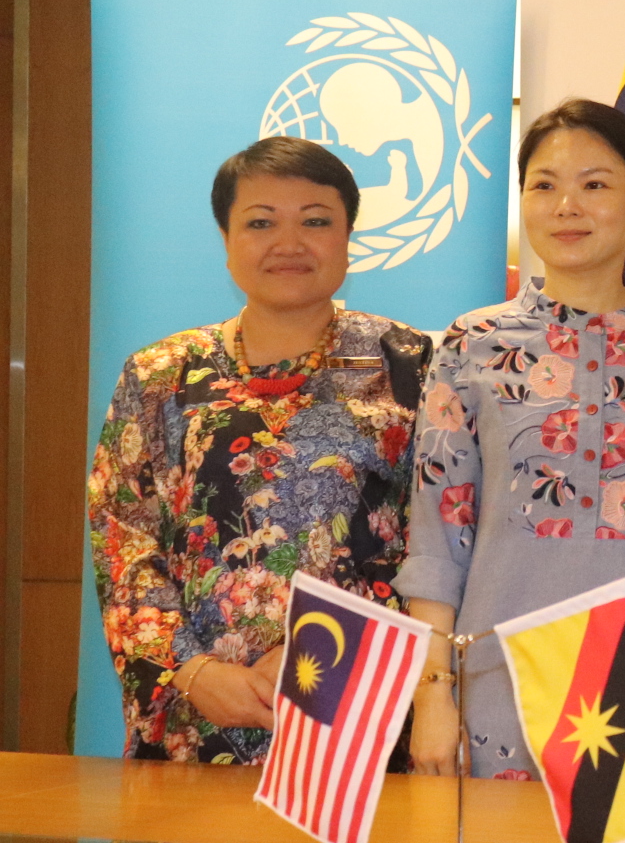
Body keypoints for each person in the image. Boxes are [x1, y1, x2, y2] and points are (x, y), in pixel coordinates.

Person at [398, 99, 625, 784]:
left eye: (595, 184)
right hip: (497, 680)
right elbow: (437, 538)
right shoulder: (472, 343)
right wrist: (433, 695)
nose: (567, 206)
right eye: (544, 184)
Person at [87, 137, 426, 763]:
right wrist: (191, 670)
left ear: (349, 236)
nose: (289, 244)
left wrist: (329, 651)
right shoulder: (160, 374)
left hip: (358, 706)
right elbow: (122, 538)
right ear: (226, 240)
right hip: (196, 708)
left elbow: (441, 540)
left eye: (316, 221)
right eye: (261, 222)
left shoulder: (412, 367)